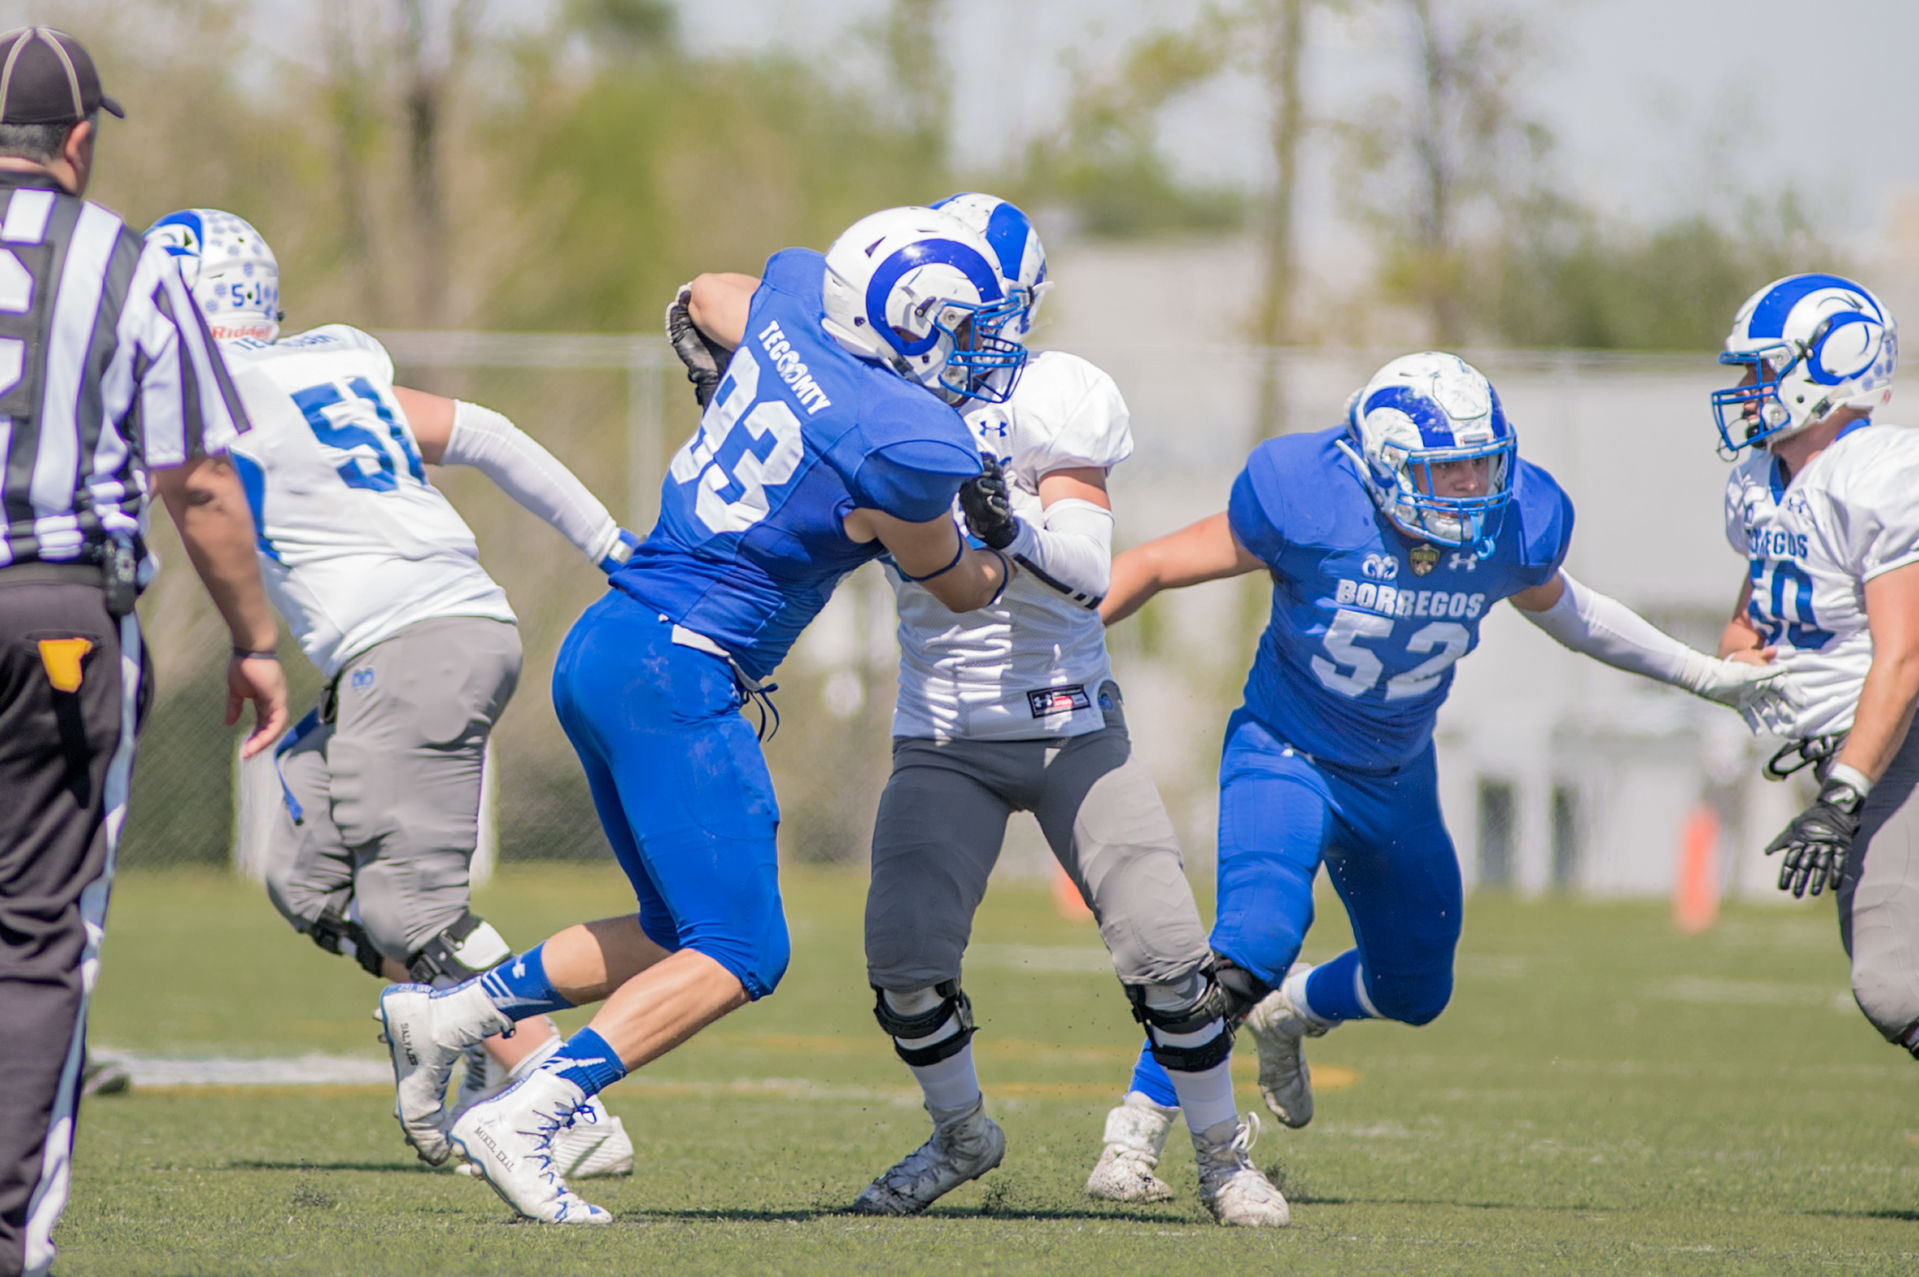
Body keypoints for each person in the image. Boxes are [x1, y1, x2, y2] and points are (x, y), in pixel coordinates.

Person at [375, 205, 1020, 1225]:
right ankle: (530, 1109)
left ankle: (455, 1012)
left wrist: (728, 380)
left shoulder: (799, 316)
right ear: (913, 318)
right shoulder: (895, 441)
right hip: (679, 668)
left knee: (679, 928)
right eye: (969, 323)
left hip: (611, 638)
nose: (982, 344)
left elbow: (704, 297)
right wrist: (1002, 520)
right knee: (743, 947)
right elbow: (963, 585)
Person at [1082, 351, 1793, 1206]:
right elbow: (1156, 563)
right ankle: (1134, 1131)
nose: (1467, 485)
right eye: (1442, 467)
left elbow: (1573, 613)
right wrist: (1054, 645)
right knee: (1254, 939)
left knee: (1417, 987)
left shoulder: (1507, 524)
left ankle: (1294, 1007)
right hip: (1286, 752)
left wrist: (1700, 674)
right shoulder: (1311, 499)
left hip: (1395, 774)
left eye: (1478, 462)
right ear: (1380, 465)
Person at [141, 208, 643, 1181]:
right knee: (311, 879)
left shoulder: (203, 389)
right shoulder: (325, 364)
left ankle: (557, 1101)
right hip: (441, 631)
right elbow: (489, 432)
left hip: (408, 644)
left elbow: (170, 495)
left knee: (413, 908)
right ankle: (441, 1038)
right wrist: (611, 548)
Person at [849, 194, 1286, 1226]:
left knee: (1170, 965)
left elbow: (1088, 568)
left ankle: (1222, 1153)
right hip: (942, 732)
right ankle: (961, 1134)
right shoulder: (873, 397)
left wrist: (1012, 523)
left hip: (1067, 726)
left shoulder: (1055, 394)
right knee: (902, 965)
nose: (941, 334)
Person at [0, 29, 287, 1277]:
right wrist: (258, 639)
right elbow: (202, 485)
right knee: (37, 933)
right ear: (79, 139)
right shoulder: (122, 262)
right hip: (59, 618)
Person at [1707, 273, 1919, 1061]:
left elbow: (1903, 657)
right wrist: (1742, 663)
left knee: (1892, 984)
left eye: (1763, 369)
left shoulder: (1881, 476)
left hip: (1895, 740)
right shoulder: (1763, 485)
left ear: (1831, 368)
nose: (1748, 389)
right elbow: (1745, 621)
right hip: (1852, 751)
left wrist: (1841, 797)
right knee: (1891, 975)